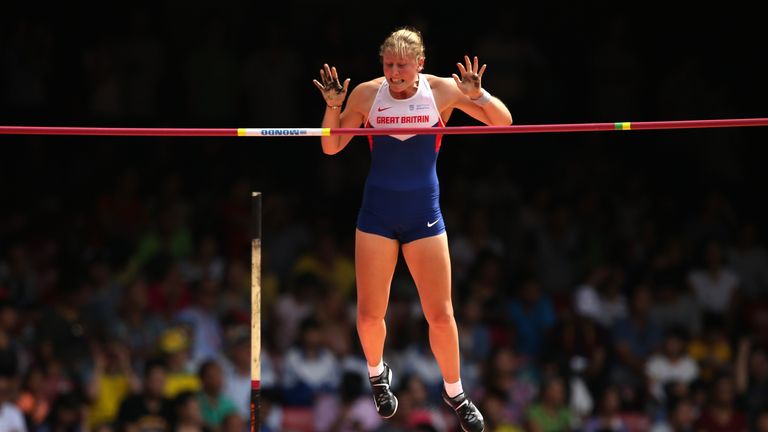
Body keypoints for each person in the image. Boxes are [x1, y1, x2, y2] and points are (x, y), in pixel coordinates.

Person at [313, 27, 512, 432]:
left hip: (424, 214)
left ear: (420, 63)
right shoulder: (368, 94)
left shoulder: (442, 91)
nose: (394, 73)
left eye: (402, 65)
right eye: (388, 65)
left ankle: (455, 393)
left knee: (441, 315)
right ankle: (376, 373)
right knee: (369, 316)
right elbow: (331, 146)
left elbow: (504, 124)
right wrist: (334, 108)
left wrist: (478, 96)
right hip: (377, 215)